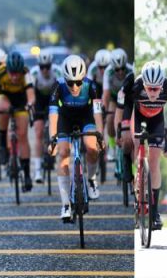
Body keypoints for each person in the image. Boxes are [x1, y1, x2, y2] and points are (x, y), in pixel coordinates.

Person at [115, 60, 167, 231]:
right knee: (135, 146)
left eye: (156, 89)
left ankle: (155, 212)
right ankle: (135, 178)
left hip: (157, 119)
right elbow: (123, 109)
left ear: (162, 86)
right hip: (138, 114)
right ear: (143, 83)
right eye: (149, 88)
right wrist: (121, 131)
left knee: (155, 162)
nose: (152, 92)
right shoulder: (135, 86)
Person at [48, 54, 103, 222]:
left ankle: (92, 179)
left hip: (86, 117)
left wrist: (100, 135)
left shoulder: (91, 86)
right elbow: (53, 115)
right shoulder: (57, 86)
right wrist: (53, 139)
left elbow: (97, 113)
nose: (74, 86)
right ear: (64, 79)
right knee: (63, 153)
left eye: (78, 82)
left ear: (83, 78)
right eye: (70, 82)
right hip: (65, 119)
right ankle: (65, 204)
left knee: (92, 147)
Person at [0, 50, 35, 192]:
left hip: (21, 101)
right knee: (1, 107)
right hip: (5, 97)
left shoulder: (26, 73)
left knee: (22, 135)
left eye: (17, 73)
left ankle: (27, 174)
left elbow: (31, 96)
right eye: (12, 73)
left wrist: (29, 105)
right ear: (8, 70)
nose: (15, 76)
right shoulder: (1, 73)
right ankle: (3, 145)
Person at [28, 51, 59, 184]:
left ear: (51, 66)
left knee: (55, 129)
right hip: (39, 101)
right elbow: (30, 94)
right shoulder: (34, 73)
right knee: (39, 133)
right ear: (39, 66)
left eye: (47, 67)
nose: (45, 70)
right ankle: (38, 169)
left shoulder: (58, 72)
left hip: (53, 99)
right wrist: (30, 106)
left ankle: (53, 150)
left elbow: (63, 91)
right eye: (42, 67)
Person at [101, 48, 132, 162]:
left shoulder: (131, 70)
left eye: (122, 68)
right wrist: (104, 108)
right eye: (117, 69)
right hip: (114, 98)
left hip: (128, 98)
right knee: (110, 119)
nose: (120, 72)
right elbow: (106, 94)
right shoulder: (108, 72)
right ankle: (112, 147)